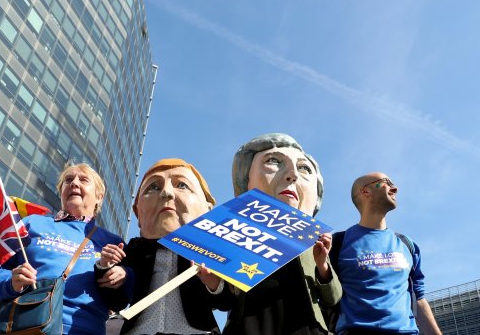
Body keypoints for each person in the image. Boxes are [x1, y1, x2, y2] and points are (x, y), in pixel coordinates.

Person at [0, 163, 134, 334]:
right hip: (25, 326)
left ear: (99, 196)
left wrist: (122, 276)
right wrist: (11, 281)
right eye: (68, 180)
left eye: (83, 180)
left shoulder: (114, 242)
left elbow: (123, 300)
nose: (74, 183)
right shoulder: (30, 224)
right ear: (61, 191)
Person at [96, 158, 232, 334]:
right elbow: (116, 301)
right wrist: (109, 271)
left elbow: (225, 301)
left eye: (182, 185)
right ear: (137, 212)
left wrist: (213, 282)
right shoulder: (134, 248)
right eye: (153, 187)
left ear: (208, 209)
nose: (166, 193)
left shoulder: (211, 248)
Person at [223, 133, 342, 335]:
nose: (292, 175)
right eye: (273, 161)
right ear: (245, 181)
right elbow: (223, 299)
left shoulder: (314, 241)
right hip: (249, 326)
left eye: (304, 168)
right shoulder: (230, 232)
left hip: (306, 327)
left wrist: (322, 266)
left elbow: (333, 298)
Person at [334, 173, 441, 335]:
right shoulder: (337, 243)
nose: (395, 188)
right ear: (365, 192)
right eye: (386, 182)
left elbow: (418, 299)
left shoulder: (407, 244)